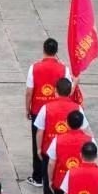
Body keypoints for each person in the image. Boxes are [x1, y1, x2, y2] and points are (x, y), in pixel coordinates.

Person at [25, 38, 71, 185]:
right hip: (58, 111)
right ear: (56, 51)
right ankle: (57, 174)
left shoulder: (34, 68)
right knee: (57, 141)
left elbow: (29, 91)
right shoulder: (64, 69)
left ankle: (38, 176)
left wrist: (28, 108)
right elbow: (68, 90)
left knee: (37, 142)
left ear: (43, 49)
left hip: (38, 109)